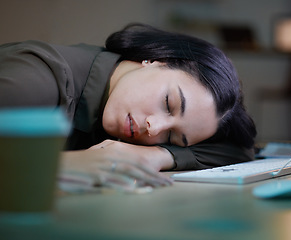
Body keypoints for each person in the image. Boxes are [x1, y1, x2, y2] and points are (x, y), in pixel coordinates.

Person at [0, 23, 256, 188]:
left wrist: (156, 155)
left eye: (172, 137)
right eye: (168, 104)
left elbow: (240, 151)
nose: (154, 129)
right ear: (156, 59)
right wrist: (65, 165)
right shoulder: (35, 82)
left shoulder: (119, 98)